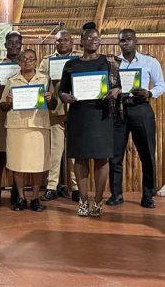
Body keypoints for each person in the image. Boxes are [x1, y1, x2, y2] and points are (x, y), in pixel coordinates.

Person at [59, 26, 121, 217]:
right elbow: (62, 90)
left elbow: (118, 87)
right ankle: (83, 201)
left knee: (102, 159)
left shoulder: (109, 64)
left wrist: (115, 92)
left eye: (96, 38)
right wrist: (64, 97)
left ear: (100, 41)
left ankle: (98, 201)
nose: (93, 40)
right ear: (82, 41)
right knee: (80, 158)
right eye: (89, 38)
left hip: (102, 116)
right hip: (79, 115)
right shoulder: (70, 65)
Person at [108, 29, 165, 208]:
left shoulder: (150, 61)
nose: (125, 43)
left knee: (147, 154)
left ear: (136, 40)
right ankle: (116, 195)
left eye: (128, 39)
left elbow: (161, 85)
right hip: (119, 110)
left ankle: (148, 196)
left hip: (141, 109)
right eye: (121, 41)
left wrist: (149, 93)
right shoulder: (114, 64)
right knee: (115, 155)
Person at [0, 49, 57, 211]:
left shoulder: (45, 80)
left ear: (36, 62)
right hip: (16, 126)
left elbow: (53, 105)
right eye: (23, 59)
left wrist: (50, 98)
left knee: (38, 165)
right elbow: (2, 105)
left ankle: (35, 198)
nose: (27, 62)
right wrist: (9, 101)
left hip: (38, 126)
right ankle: (20, 197)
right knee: (18, 164)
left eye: (31, 59)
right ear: (19, 62)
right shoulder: (12, 81)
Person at [38, 30, 82, 202]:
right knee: (55, 152)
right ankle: (51, 186)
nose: (62, 43)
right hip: (56, 111)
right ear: (54, 43)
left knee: (76, 152)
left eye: (66, 40)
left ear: (72, 42)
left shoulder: (80, 58)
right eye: (59, 41)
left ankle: (77, 187)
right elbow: (41, 80)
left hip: (77, 111)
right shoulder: (47, 61)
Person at [0, 31, 22, 205]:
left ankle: (17, 190)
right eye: (10, 42)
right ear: (5, 45)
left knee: (16, 154)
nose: (14, 45)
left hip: (20, 115)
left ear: (21, 45)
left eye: (17, 42)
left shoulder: (27, 66)